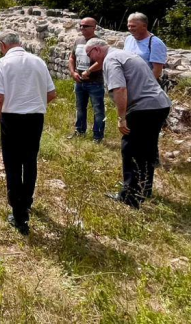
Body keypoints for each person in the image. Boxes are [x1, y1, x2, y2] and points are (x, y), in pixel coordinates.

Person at [85, 38, 172, 208]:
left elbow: (119, 88)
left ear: (96, 50)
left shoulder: (111, 59)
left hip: (143, 108)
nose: (90, 59)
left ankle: (130, 197)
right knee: (147, 148)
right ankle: (144, 189)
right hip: (160, 105)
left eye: (89, 55)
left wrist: (121, 117)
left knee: (131, 149)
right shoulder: (125, 54)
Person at [0, 30, 56, 235]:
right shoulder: (38, 61)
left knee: (13, 164)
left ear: (2, 45)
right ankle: (26, 202)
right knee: (30, 161)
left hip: (12, 119)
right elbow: (51, 93)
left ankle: (19, 215)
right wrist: (34, 104)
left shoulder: (2, 64)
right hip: (35, 118)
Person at [68, 17, 106, 142]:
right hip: (79, 81)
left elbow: (102, 61)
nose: (82, 28)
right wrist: (73, 72)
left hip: (95, 82)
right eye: (81, 25)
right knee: (80, 108)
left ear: (94, 28)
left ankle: (98, 136)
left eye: (85, 26)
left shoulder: (100, 42)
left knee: (98, 110)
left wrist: (88, 71)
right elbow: (72, 58)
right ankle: (80, 131)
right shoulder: (78, 40)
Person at [124, 12, 168, 81]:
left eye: (133, 26)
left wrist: (143, 84)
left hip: (144, 83)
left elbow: (157, 70)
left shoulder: (155, 43)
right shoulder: (128, 39)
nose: (130, 28)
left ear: (144, 26)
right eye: (128, 26)